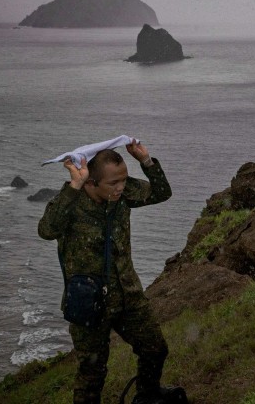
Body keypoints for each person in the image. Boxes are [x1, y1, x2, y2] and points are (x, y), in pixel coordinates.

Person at [38, 141, 182, 404]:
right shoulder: (70, 202)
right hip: (89, 304)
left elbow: (161, 193)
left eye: (123, 181)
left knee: (155, 349)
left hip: (128, 295)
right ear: (90, 183)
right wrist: (73, 188)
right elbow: (46, 230)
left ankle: (148, 396)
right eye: (113, 183)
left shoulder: (123, 193)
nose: (120, 188)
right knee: (92, 373)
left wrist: (146, 161)